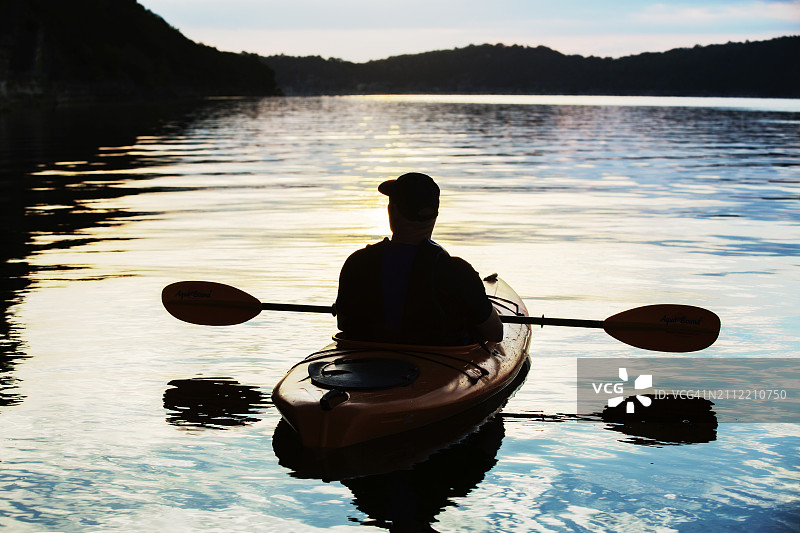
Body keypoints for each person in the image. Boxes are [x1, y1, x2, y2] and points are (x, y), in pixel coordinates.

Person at [335, 172, 503, 345]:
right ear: (435, 215)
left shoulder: (357, 263)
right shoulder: (458, 272)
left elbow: (343, 324)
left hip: (364, 364)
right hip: (441, 363)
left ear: (392, 211)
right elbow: (495, 334)